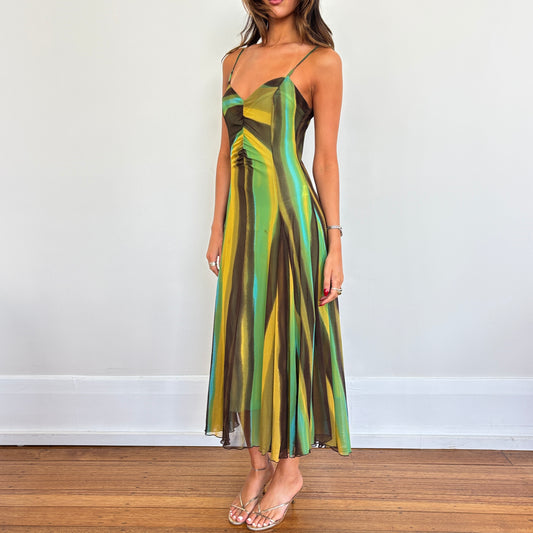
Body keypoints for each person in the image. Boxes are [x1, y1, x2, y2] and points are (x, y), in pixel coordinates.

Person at [204, 0, 351, 529]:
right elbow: (225, 154)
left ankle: (289, 473)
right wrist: (217, 226)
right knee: (243, 338)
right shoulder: (233, 59)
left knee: (287, 340)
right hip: (244, 226)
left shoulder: (321, 61)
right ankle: (258, 467)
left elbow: (325, 157)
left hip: (292, 221)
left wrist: (334, 243)